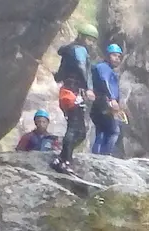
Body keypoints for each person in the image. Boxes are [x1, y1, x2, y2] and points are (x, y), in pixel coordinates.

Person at [52, 24, 97, 173]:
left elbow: (59, 76)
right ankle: (66, 162)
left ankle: (61, 157)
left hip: (67, 92)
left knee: (81, 132)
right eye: (89, 39)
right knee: (74, 128)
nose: (91, 43)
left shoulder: (68, 51)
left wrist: (57, 75)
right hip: (73, 93)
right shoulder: (79, 50)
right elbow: (81, 66)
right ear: (82, 37)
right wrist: (89, 88)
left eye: (93, 41)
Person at [91, 44, 127, 156]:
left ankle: (98, 154)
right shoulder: (103, 67)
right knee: (113, 131)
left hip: (102, 102)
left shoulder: (108, 70)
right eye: (114, 55)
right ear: (107, 56)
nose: (117, 58)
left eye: (119, 56)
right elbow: (104, 81)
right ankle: (105, 154)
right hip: (104, 102)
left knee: (102, 131)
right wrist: (112, 99)